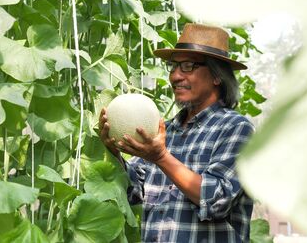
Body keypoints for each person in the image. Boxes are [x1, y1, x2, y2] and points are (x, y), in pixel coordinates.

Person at [99, 23, 255, 242]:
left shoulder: (236, 129)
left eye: (188, 66)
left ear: (217, 76)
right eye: (174, 66)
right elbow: (134, 190)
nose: (175, 76)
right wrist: (114, 151)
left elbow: (217, 200)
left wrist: (161, 157)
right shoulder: (166, 131)